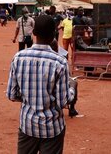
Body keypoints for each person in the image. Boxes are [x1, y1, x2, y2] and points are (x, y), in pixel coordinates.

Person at [7, 15, 76, 153]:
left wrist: (29, 97)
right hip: (52, 128)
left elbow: (12, 95)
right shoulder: (60, 62)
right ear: (53, 34)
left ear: (34, 32)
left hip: (27, 125)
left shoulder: (19, 57)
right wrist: (72, 87)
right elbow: (63, 101)